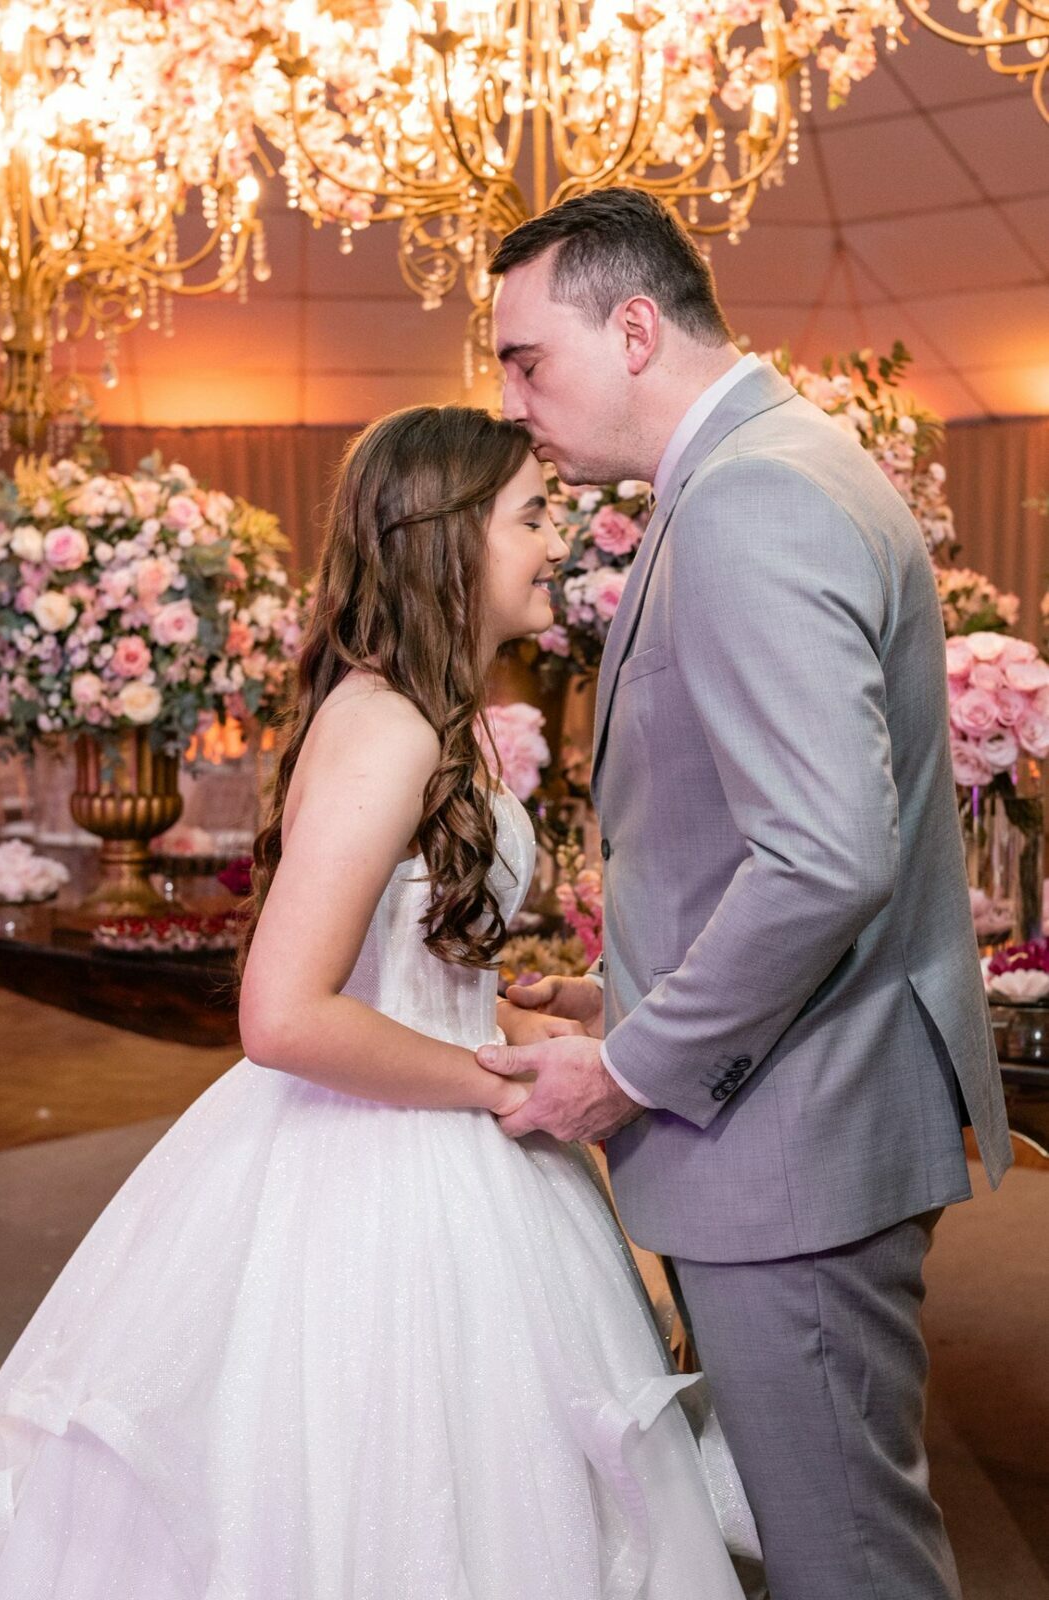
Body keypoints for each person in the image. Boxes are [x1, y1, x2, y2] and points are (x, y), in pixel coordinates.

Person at [0, 405, 747, 1599]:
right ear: (447, 534)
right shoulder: (387, 727)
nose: (555, 542)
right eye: (530, 517)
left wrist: (505, 1017)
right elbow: (282, 1014)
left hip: (440, 1124)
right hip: (377, 1167)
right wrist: (493, 1081)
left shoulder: (426, 715)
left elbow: (400, 967)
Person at [483, 188, 1013, 1600]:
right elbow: (763, 835)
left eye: (525, 359)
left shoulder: (752, 494)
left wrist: (628, 1066)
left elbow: (823, 857)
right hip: (805, 1100)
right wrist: (628, 985)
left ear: (633, 329)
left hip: (795, 1131)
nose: (510, 400)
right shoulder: (761, 466)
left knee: (842, 1557)